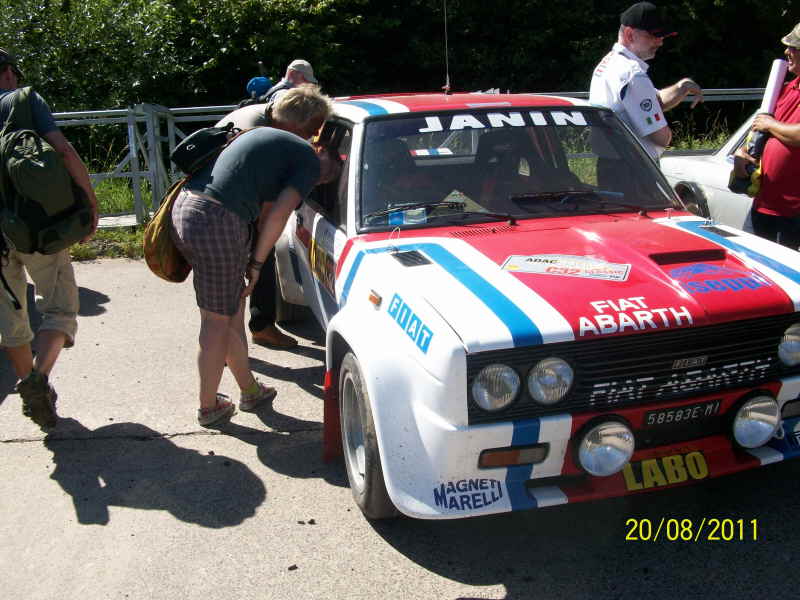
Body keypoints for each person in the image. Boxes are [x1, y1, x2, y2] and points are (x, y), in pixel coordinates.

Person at [171, 86, 332, 426]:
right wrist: (257, 264)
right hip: (217, 220)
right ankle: (209, 406)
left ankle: (249, 390)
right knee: (215, 320)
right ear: (314, 127)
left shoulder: (261, 134)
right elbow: (277, 217)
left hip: (188, 209)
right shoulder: (305, 156)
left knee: (230, 311)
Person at [0, 48, 99, 429]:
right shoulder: (23, 101)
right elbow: (64, 150)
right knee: (60, 309)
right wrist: (89, 201)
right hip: (39, 230)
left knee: (11, 323)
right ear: (9, 73)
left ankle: (30, 385)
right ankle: (39, 380)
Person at [589, 2, 703, 162]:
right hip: (633, 167)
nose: (660, 42)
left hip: (612, 163)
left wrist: (682, 87)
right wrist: (668, 134)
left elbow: (653, 100)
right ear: (629, 34)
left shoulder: (608, 63)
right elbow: (661, 137)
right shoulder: (632, 74)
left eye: (662, 37)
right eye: (654, 36)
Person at [734, 23, 800, 249]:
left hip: (793, 213)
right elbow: (759, 127)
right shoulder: (787, 88)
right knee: (751, 268)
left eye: (794, 47)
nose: (787, 51)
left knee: (788, 279)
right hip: (763, 204)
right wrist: (742, 154)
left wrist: (771, 124)